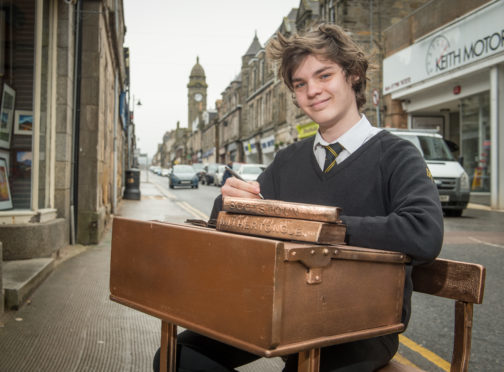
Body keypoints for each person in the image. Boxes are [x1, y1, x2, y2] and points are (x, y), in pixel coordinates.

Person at [153, 23, 443, 372]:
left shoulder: (398, 155)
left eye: (324, 76)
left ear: (352, 75)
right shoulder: (288, 159)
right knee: (179, 358)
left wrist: (320, 228)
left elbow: (424, 233)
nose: (312, 91)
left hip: (360, 323)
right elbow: (229, 223)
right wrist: (229, 201)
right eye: (300, 84)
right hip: (281, 309)